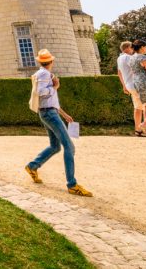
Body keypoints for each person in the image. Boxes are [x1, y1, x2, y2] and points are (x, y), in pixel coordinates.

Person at [24, 49, 92, 196]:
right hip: (49, 113)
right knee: (69, 147)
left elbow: (50, 100)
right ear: (52, 61)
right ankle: (72, 185)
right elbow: (41, 93)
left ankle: (32, 166)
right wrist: (54, 87)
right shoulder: (44, 74)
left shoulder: (43, 74)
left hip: (48, 112)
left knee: (55, 147)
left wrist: (64, 114)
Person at [116, 41, 146, 136]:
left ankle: (138, 129)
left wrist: (124, 86)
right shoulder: (129, 58)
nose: (133, 49)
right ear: (127, 48)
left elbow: (119, 73)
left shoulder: (119, 58)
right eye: (131, 47)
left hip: (129, 85)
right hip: (136, 84)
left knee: (137, 107)